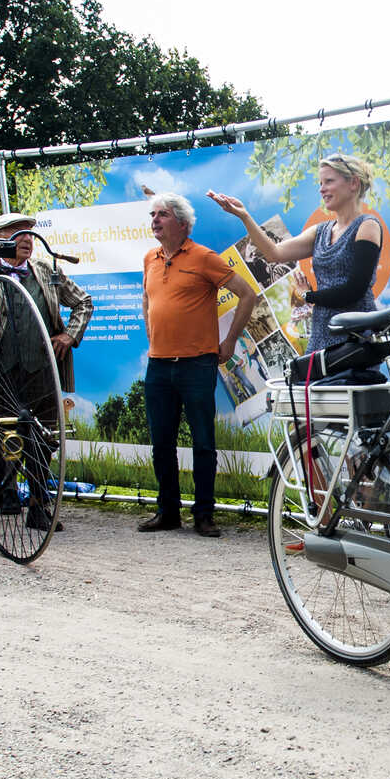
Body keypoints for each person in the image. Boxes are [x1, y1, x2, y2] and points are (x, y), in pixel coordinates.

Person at [137, 191, 258, 537]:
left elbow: (247, 294)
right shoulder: (149, 258)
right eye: (153, 214)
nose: (155, 220)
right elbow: (146, 299)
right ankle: (168, 512)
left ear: (183, 224)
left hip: (198, 365)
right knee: (162, 442)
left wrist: (231, 339)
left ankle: (204, 515)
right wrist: (152, 335)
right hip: (159, 366)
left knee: (203, 443)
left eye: (162, 214)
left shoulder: (204, 257)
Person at [209, 153, 383, 362]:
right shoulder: (320, 231)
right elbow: (274, 253)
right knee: (311, 390)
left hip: (356, 334)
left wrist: (308, 297)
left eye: (329, 181)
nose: (322, 189)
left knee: (348, 392)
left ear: (353, 183)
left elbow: (354, 290)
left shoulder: (367, 226)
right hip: (323, 330)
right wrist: (244, 216)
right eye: (320, 183)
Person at [0, 212, 93, 392]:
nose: (28, 239)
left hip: (40, 374)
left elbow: (84, 302)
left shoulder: (46, 270)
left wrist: (70, 335)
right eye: (18, 231)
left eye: (30, 233)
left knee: (46, 420)